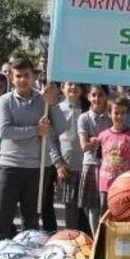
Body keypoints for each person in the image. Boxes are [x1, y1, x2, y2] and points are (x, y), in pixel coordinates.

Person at [0, 57, 64, 243]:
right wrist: (35, 130)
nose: (22, 80)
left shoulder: (44, 100)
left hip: (38, 167)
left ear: (33, 77)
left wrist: (53, 104)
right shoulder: (5, 101)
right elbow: (4, 131)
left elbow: (61, 128)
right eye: (18, 76)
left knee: (31, 221)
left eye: (26, 75)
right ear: (12, 78)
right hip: (10, 166)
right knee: (1, 218)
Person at [49, 82, 86, 231]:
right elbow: (50, 139)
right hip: (67, 167)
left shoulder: (88, 109)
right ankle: (71, 243)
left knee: (86, 211)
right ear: (62, 88)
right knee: (70, 212)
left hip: (87, 167)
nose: (73, 87)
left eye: (77, 84)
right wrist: (58, 163)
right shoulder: (55, 110)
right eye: (70, 84)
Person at [77, 85, 113, 228]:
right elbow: (84, 146)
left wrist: (95, 139)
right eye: (93, 95)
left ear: (106, 97)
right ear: (88, 96)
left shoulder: (111, 117)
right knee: (91, 206)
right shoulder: (84, 118)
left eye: (101, 95)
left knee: (106, 204)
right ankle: (95, 236)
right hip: (91, 164)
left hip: (109, 165)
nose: (96, 98)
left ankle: (104, 237)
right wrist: (103, 140)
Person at [97, 96, 130, 214]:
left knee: (124, 213)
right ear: (109, 113)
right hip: (106, 183)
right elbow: (98, 157)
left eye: (123, 113)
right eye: (116, 113)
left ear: (127, 114)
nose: (119, 116)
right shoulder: (102, 136)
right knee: (104, 213)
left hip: (125, 184)